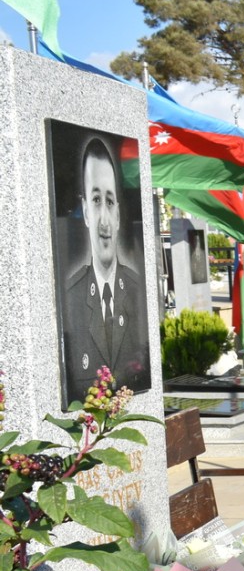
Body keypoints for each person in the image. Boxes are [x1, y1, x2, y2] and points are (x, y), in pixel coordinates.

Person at [62, 136, 151, 404]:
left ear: (119, 215)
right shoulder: (71, 298)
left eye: (110, 202)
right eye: (96, 199)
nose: (104, 220)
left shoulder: (136, 290)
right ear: (85, 211)